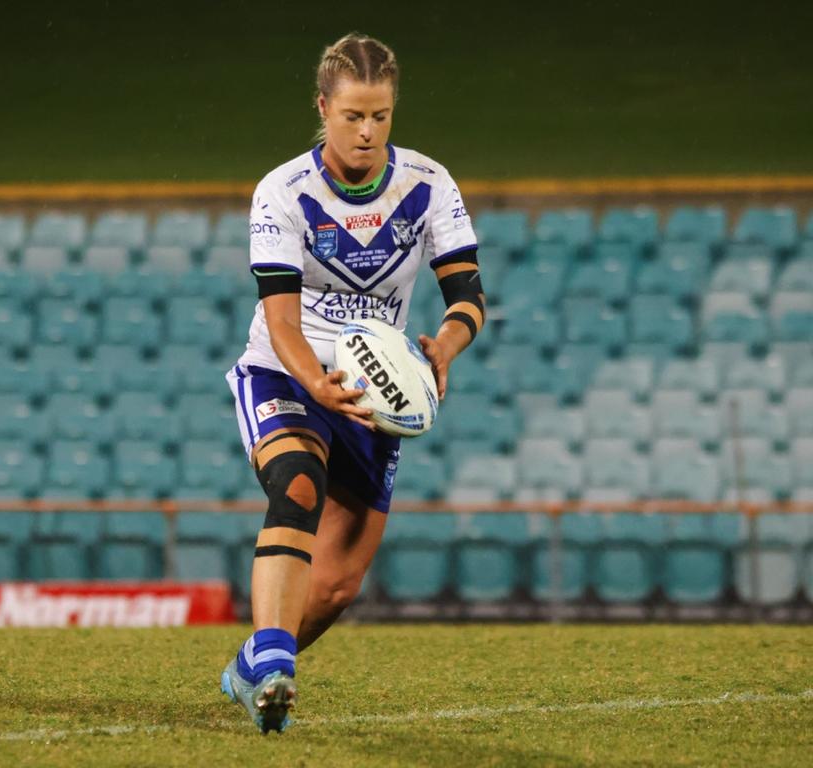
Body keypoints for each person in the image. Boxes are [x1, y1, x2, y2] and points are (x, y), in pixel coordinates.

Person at [221, 32, 486, 734]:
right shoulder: (283, 192)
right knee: (298, 483)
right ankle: (276, 665)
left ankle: (252, 664)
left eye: (380, 116)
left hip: (373, 395)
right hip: (287, 371)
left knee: (337, 586)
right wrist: (317, 381)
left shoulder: (428, 185)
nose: (367, 132)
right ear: (323, 108)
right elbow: (280, 320)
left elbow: (468, 298)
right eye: (352, 117)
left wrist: (445, 347)